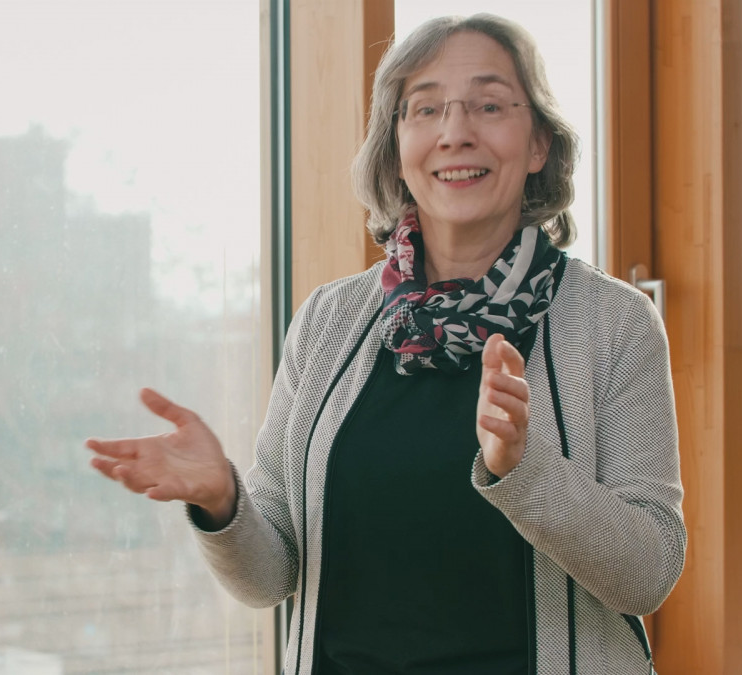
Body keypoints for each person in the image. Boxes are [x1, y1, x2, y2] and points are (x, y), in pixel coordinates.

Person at [88, 13, 684, 674]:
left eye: (489, 105)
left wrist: (524, 466)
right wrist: (222, 499)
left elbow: (649, 573)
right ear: (397, 146)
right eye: (424, 109)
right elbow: (270, 573)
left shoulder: (614, 322)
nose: (456, 133)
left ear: (539, 143)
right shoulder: (327, 318)